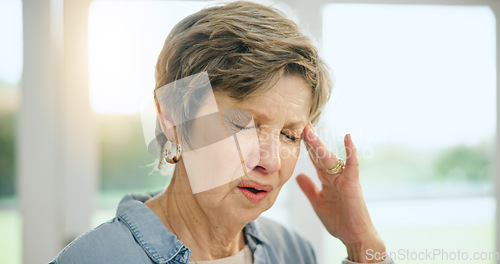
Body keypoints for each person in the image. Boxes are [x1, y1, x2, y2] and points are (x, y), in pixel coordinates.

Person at [51, 1, 393, 263]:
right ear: (172, 120)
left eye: (289, 135)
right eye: (243, 125)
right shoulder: (96, 258)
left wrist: (362, 242)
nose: (270, 162)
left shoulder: (293, 252)